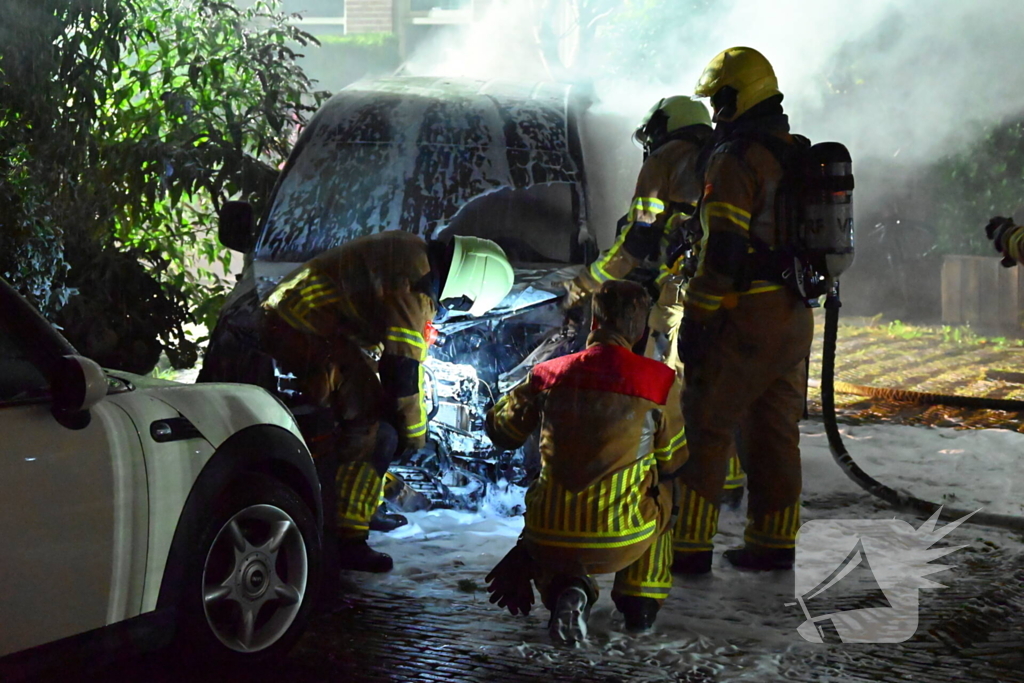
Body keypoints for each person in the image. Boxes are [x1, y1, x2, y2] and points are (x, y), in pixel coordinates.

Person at [261, 231, 514, 572]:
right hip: (305, 329)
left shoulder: (414, 255)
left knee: (373, 418)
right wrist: (415, 432)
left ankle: (358, 504)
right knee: (378, 431)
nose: (449, 308)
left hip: (301, 320)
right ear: (469, 286)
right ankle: (346, 538)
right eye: (460, 304)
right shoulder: (416, 286)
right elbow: (401, 371)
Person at [672, 47, 815, 574]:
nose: (714, 112)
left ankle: (686, 548)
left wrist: (699, 316)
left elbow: (725, 249)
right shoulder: (792, 150)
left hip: (745, 314)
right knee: (774, 429)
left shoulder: (735, 159)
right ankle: (774, 543)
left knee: (705, 426)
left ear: (743, 93)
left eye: (721, 99)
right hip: (794, 314)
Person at [484, 280, 689, 643]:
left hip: (545, 534)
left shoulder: (547, 373)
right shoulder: (660, 382)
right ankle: (640, 603)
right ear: (640, 329)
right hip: (623, 537)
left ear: (594, 322)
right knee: (661, 491)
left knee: (559, 505)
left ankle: (570, 589)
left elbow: (502, 432)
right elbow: (674, 461)